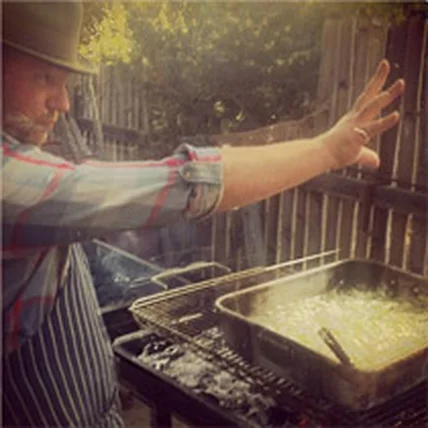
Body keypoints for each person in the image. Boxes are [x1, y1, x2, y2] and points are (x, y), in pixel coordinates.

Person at [2, 1, 404, 427]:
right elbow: (185, 185)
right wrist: (326, 151)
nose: (63, 102)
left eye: (65, 83)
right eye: (45, 78)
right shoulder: (11, 184)